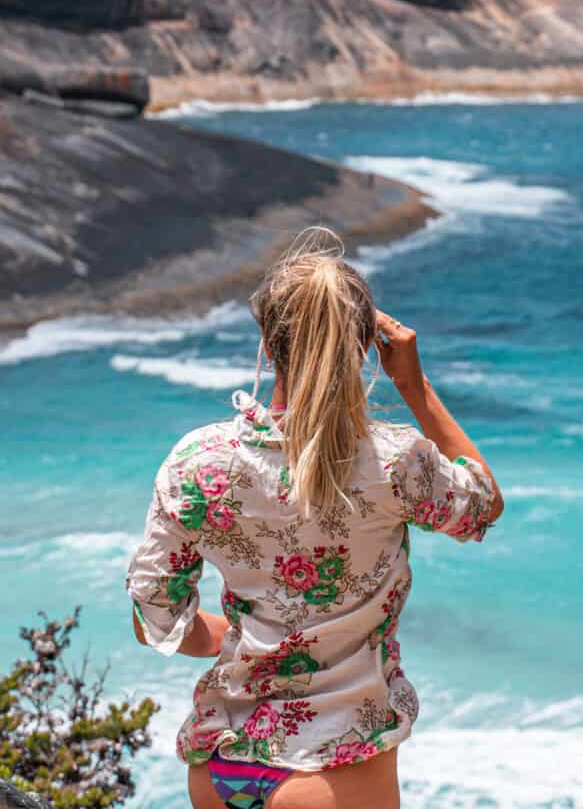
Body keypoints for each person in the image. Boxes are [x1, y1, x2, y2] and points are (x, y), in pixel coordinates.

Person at [126, 228, 503, 809]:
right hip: (335, 770)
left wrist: (254, 638)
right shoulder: (395, 462)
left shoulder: (199, 462)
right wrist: (414, 383)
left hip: (221, 762)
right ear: (361, 346)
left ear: (266, 339)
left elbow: (154, 617)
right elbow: (482, 504)